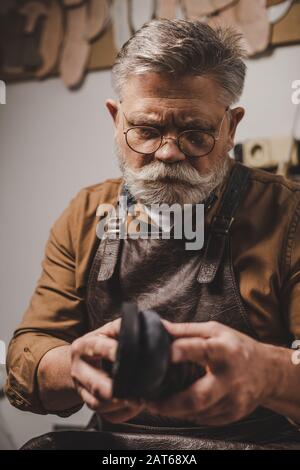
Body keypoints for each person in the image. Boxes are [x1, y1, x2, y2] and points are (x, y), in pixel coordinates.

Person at [5, 19, 300, 447]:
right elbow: (29, 348)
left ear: (230, 128)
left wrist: (269, 372)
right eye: (146, 130)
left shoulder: (288, 215)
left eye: (195, 134)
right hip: (120, 446)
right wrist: (74, 365)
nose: (167, 153)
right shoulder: (86, 214)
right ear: (115, 118)